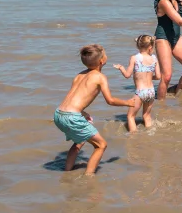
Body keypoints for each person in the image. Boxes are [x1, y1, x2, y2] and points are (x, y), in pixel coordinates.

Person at [53, 44, 138, 174]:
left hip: (59, 114)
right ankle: (89, 178)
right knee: (101, 145)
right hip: (72, 116)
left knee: (78, 141)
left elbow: (73, 98)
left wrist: (82, 112)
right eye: (105, 54)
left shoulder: (79, 75)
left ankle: (67, 171)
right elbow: (110, 100)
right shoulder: (100, 77)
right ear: (102, 61)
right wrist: (128, 102)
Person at [112, 34, 160, 132]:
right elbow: (158, 76)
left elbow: (127, 75)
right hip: (151, 92)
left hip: (140, 92)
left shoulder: (135, 58)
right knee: (146, 115)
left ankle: (134, 138)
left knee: (130, 116)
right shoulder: (154, 59)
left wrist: (121, 68)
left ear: (138, 45)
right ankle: (150, 134)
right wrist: (150, 77)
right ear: (150, 47)